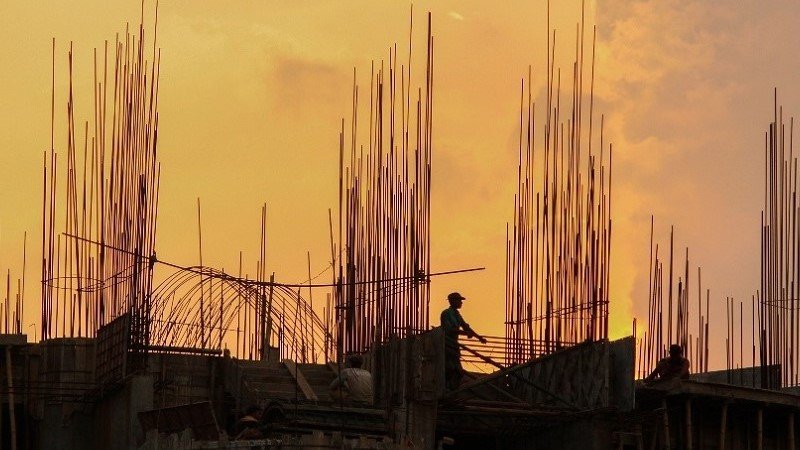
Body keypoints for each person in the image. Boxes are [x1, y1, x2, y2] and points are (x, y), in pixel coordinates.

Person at [440, 292, 486, 390]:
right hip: (446, 345)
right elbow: (449, 329)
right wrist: (467, 333)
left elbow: (465, 327)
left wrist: (478, 337)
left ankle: (452, 389)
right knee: (450, 369)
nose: (461, 302)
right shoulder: (446, 314)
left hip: (454, 346)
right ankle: (447, 388)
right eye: (459, 300)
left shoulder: (457, 314)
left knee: (458, 372)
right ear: (452, 301)